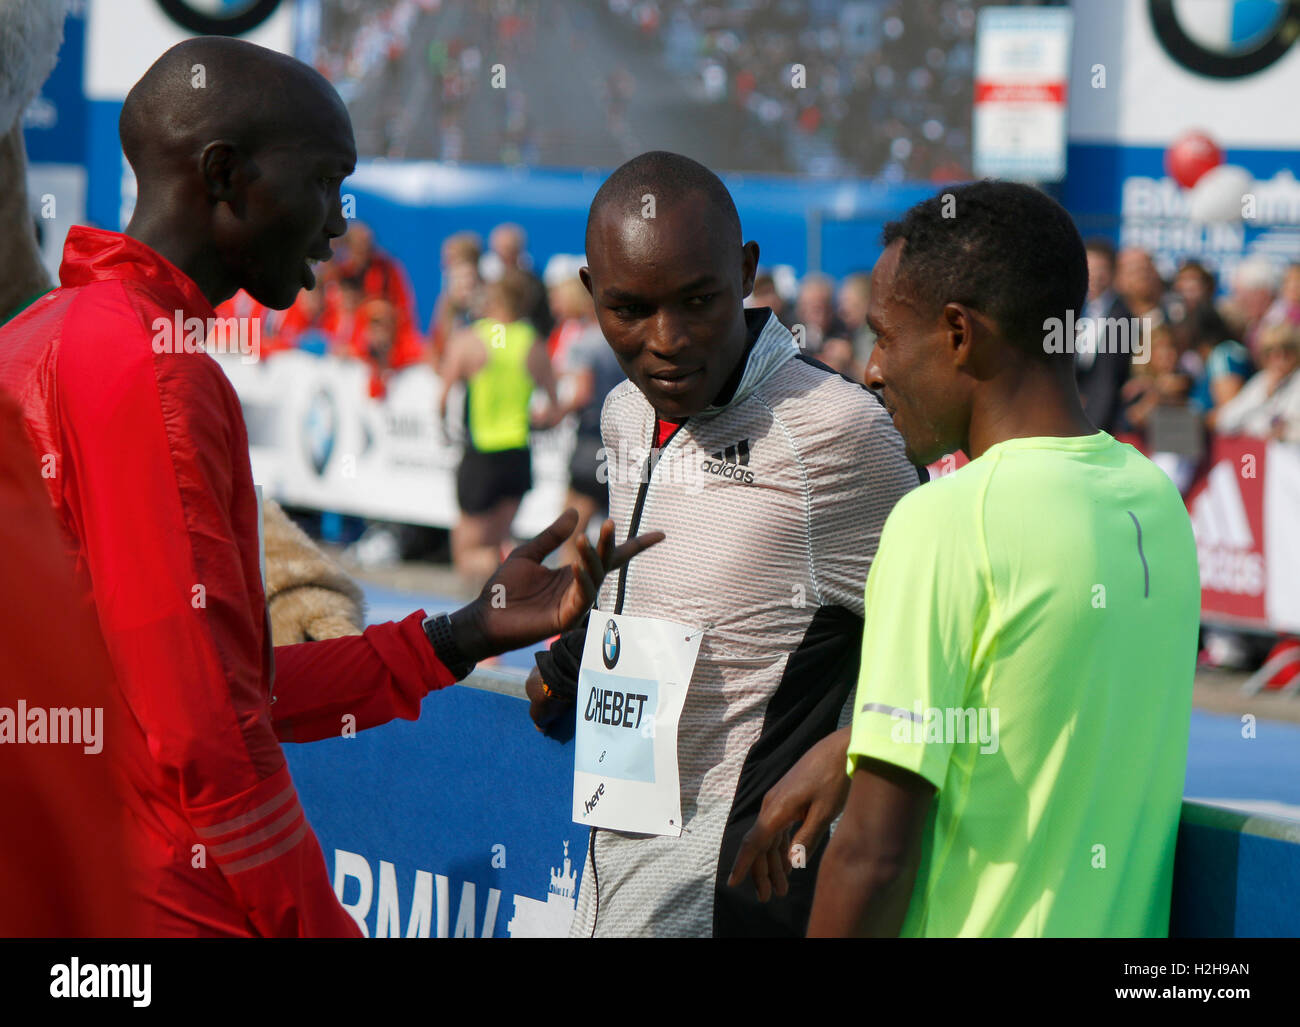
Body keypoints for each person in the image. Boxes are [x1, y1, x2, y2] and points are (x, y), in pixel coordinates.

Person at [0, 37, 659, 938]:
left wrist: (457, 635)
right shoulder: (159, 374)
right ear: (225, 174)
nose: (340, 221)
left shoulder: (43, 334)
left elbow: (222, 690)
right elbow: (207, 739)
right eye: (325, 181)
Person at [733, 181, 1200, 937]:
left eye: (885, 335)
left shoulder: (945, 520)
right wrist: (860, 742)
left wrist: (869, 756)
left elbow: (873, 858)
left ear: (958, 333)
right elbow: (1040, 709)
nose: (873, 369)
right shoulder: (1155, 501)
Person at [525, 151, 920, 937]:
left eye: (697, 301)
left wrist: (852, 747)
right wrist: (577, 654)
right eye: (630, 309)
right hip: (619, 877)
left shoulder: (838, 433)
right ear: (589, 295)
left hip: (739, 900)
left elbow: (959, 647)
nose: (666, 341)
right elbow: (672, 593)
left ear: (745, 272)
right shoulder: (624, 414)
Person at [439, 269, 562, 585]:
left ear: (493, 300)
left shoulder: (470, 340)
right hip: (517, 453)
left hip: (481, 452)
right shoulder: (532, 343)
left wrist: (445, 430)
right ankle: (511, 576)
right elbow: (554, 409)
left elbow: (442, 398)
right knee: (495, 541)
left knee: (466, 552)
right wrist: (537, 424)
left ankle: (511, 580)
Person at [1075, 238, 1134, 434]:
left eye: (1101, 269)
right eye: (1089, 268)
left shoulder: (1122, 315)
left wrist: (1095, 423)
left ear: (1112, 273)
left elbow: (1109, 378)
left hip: (1101, 416)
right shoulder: (1075, 308)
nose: (1095, 276)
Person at [1214, 322, 1300, 443]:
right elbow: (1225, 421)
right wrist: (1264, 394)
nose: (1278, 358)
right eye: (1270, 352)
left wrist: (1286, 432)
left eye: (1286, 351)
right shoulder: (1261, 382)